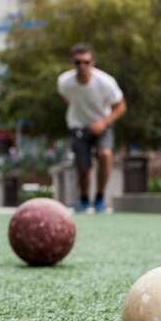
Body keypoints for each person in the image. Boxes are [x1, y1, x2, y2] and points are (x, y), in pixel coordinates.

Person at [58, 43, 127, 213]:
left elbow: (121, 106)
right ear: (73, 64)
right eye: (78, 62)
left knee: (105, 154)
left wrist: (103, 122)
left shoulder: (106, 82)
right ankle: (83, 199)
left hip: (103, 123)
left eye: (86, 62)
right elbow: (66, 98)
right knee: (83, 166)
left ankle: (100, 198)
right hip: (78, 126)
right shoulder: (64, 82)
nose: (82, 66)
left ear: (93, 63)